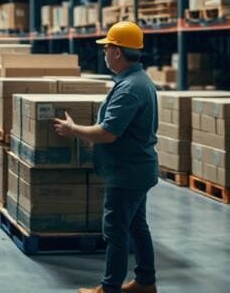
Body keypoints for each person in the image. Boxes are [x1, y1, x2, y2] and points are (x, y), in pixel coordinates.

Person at [53, 21, 159, 293]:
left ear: (117, 52)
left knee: (115, 231)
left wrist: (72, 129)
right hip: (136, 168)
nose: (104, 53)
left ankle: (109, 288)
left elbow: (108, 133)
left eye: (106, 48)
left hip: (127, 172)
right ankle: (146, 282)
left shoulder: (130, 88)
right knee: (137, 225)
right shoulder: (136, 81)